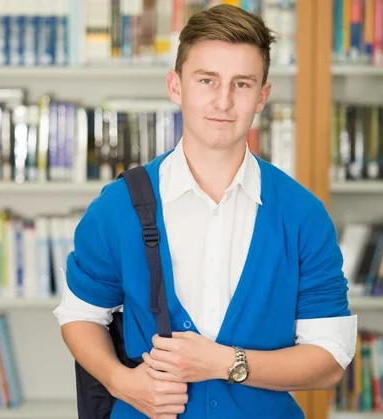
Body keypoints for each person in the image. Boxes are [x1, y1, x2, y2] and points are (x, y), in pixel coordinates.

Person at [54, 4, 357, 419]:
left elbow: (330, 358)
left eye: (242, 84)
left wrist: (222, 362)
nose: (223, 101)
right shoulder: (118, 205)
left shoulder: (303, 215)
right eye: (207, 80)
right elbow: (80, 314)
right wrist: (121, 382)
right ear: (176, 86)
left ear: (262, 97)